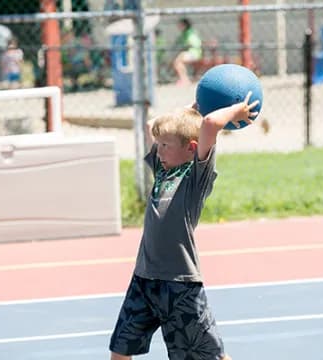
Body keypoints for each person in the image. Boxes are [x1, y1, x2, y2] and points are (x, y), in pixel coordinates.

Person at [109, 92, 260, 359]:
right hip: (144, 279)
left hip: (180, 284)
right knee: (120, 349)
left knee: (210, 354)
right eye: (160, 144)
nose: (159, 150)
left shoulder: (195, 177)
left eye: (166, 145)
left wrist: (237, 110)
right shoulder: (163, 169)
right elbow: (150, 125)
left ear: (191, 148)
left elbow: (211, 123)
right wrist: (186, 111)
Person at [172, 18, 203, 86]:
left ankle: (184, 80)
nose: (178, 27)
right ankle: (184, 79)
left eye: (180, 25)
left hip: (194, 52)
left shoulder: (189, 33)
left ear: (185, 25)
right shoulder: (187, 32)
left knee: (177, 61)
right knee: (178, 61)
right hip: (194, 52)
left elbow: (192, 44)